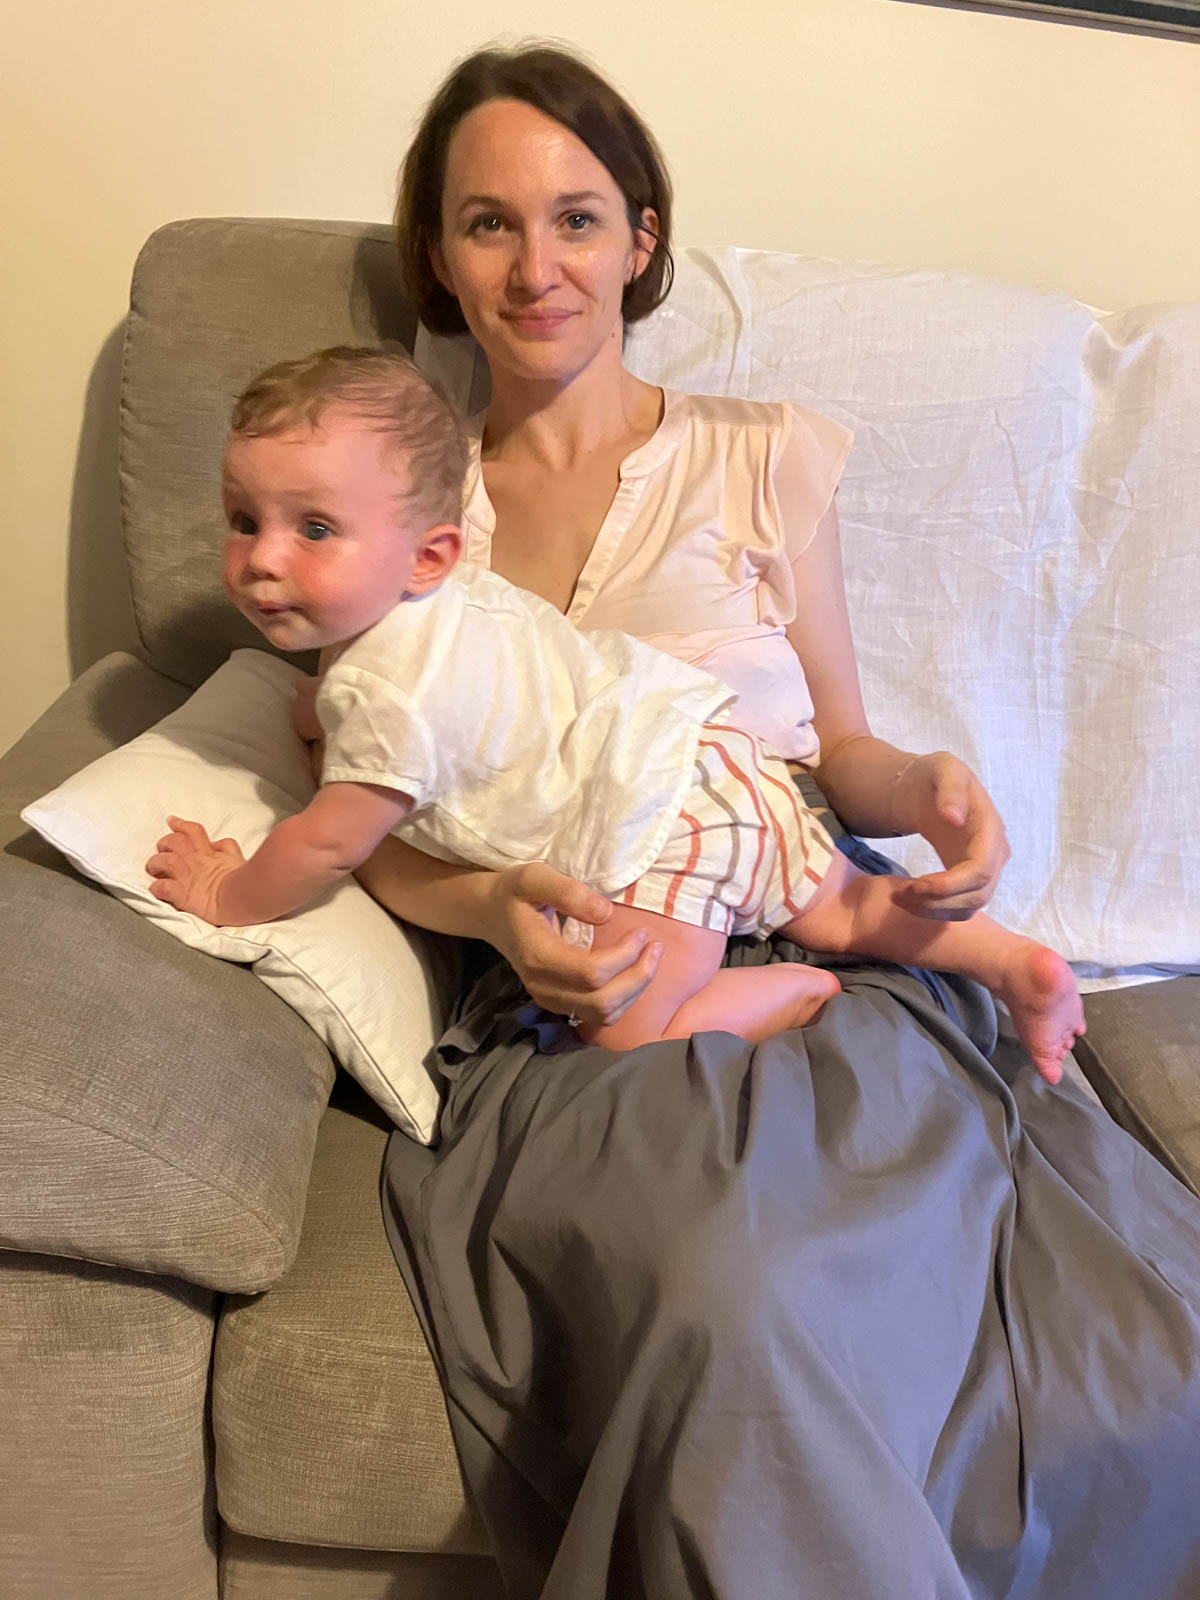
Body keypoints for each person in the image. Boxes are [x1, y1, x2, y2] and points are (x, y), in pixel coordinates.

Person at [222, 44, 1200, 1600]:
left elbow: (844, 747)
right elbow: (373, 812)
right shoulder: (384, 511)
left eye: (576, 218)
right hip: (581, 993)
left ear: (642, 238)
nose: (536, 268)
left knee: (1099, 1347)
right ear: (437, 256)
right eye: (487, 223)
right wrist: (490, 913)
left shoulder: (763, 454)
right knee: (738, 1302)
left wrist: (924, 788)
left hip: (813, 926)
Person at [147, 347, 1085, 1080]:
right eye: (244, 520)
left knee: (623, 1030)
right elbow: (429, 713)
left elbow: (327, 843)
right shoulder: (443, 608)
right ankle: (1011, 962)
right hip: (719, 755)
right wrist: (327, 713)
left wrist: (230, 892)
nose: (264, 558)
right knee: (843, 905)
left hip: (658, 833)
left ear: (429, 554)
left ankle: (787, 994)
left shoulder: (384, 691)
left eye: (313, 528)